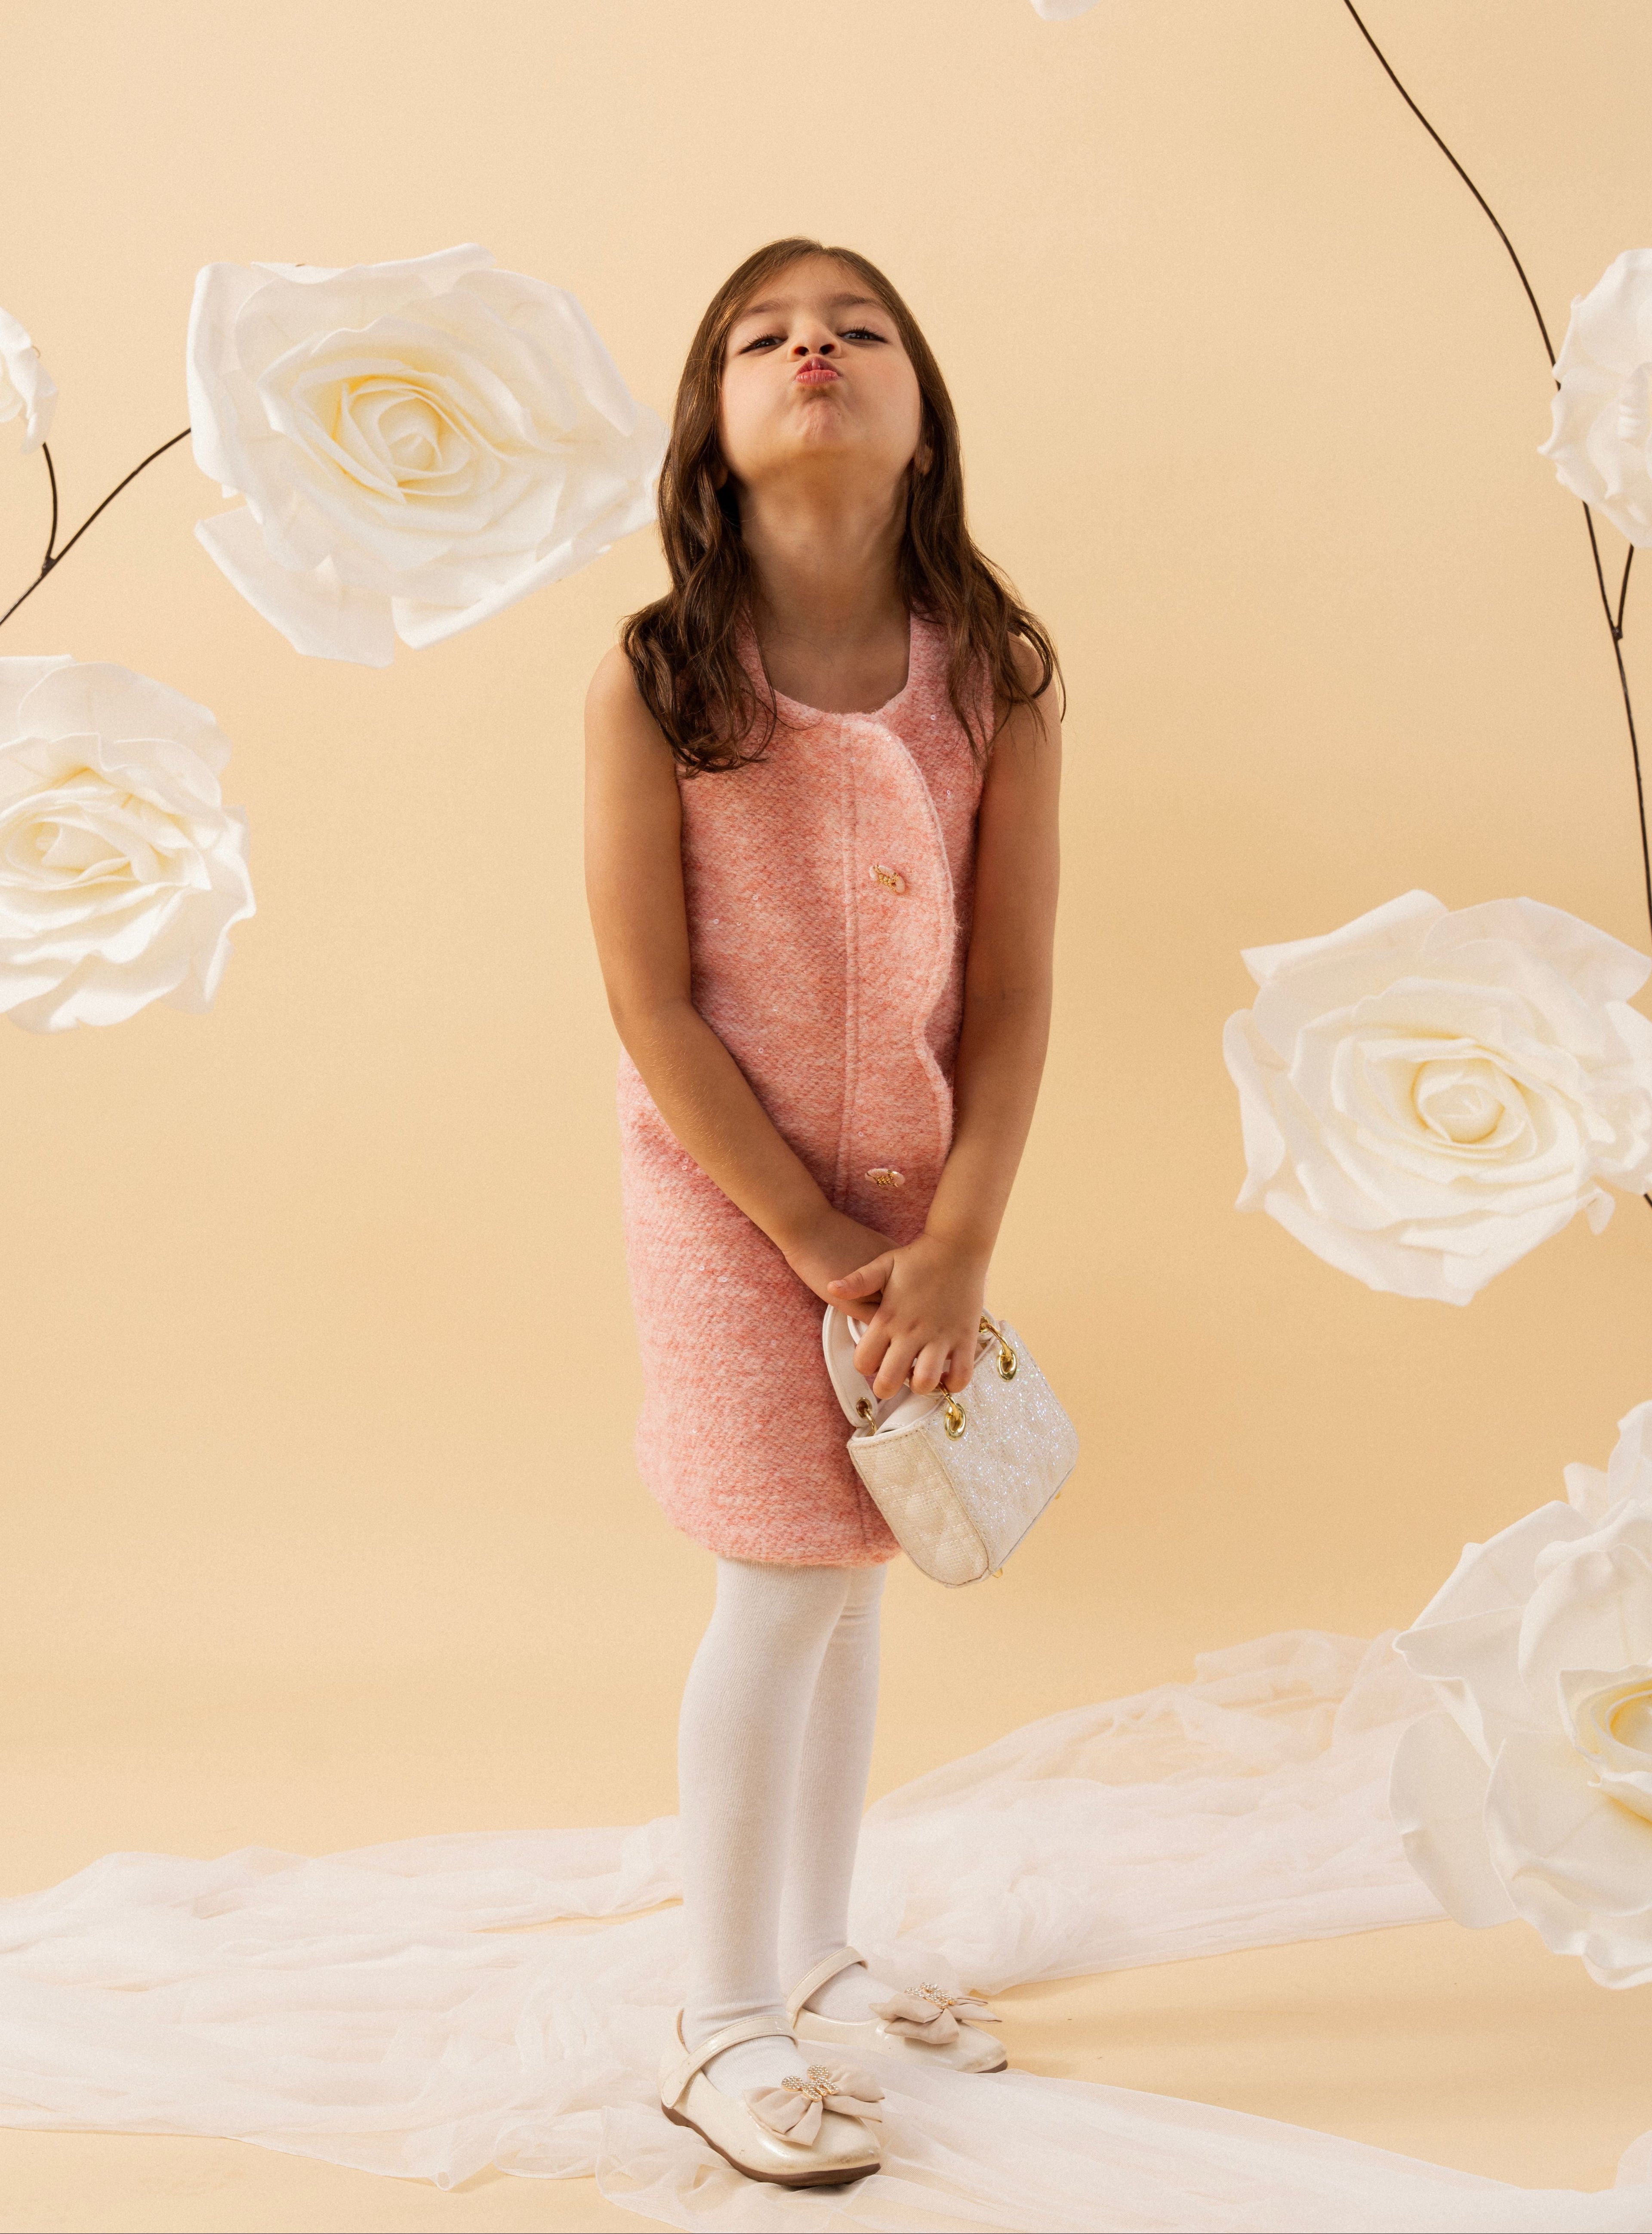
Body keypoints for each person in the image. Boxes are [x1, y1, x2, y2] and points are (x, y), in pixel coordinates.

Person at [583, 236, 1062, 2188]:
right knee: (780, 1577)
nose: (812, 348)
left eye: (856, 327)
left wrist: (957, 1240)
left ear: (920, 410)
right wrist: (805, 1237)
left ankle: (814, 1950)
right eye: (764, 336)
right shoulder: (655, 677)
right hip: (727, 1195)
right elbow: (650, 1002)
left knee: (858, 1571)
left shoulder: (998, 676)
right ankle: (717, 2022)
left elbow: (1014, 994)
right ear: (712, 426)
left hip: (918, 1201)